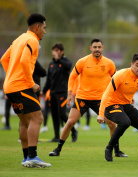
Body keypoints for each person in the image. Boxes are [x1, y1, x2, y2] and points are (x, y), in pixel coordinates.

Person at [49, 38, 127, 157]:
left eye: (99, 47)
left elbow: (116, 80)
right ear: (91, 48)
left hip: (101, 100)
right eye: (94, 47)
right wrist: (70, 94)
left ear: (102, 48)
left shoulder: (109, 63)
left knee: (112, 124)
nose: (97, 49)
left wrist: (123, 96)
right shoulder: (82, 61)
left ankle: (116, 151)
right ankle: (58, 149)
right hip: (82, 98)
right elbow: (72, 76)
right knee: (70, 122)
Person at [0, 13, 51, 168]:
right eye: (44, 27)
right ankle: (33, 156)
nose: (45, 31)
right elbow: (23, 61)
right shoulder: (32, 40)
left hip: (9, 86)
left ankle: (26, 158)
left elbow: (3, 59)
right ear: (37, 27)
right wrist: (31, 83)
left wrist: (11, 76)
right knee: (37, 119)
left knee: (25, 121)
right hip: (21, 86)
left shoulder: (18, 39)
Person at [97, 53, 138, 162]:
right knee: (125, 122)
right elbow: (106, 94)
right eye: (137, 65)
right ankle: (109, 148)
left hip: (125, 106)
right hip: (111, 106)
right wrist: (100, 114)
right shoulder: (120, 75)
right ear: (131, 64)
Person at [42, 43, 78, 142]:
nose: (55, 53)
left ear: (62, 52)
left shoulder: (65, 61)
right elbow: (49, 80)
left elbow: (68, 66)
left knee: (62, 114)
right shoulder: (51, 64)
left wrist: (59, 59)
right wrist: (43, 91)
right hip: (52, 93)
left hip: (62, 93)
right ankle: (56, 136)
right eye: (54, 50)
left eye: (57, 50)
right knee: (54, 114)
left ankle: (74, 131)